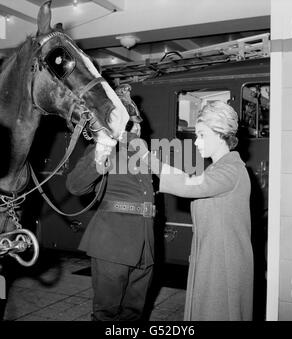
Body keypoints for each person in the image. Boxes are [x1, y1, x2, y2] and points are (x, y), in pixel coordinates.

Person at [96, 100, 253, 321]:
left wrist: (144, 156)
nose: (197, 142)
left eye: (201, 135)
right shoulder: (220, 168)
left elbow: (189, 184)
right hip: (213, 257)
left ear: (220, 134)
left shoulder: (231, 169)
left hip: (223, 263)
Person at [66, 84, 155, 321]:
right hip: (113, 244)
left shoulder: (142, 154)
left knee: (134, 314)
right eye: (129, 124)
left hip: (144, 244)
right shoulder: (104, 149)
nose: (136, 127)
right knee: (106, 314)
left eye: (137, 123)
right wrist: (100, 154)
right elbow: (75, 186)